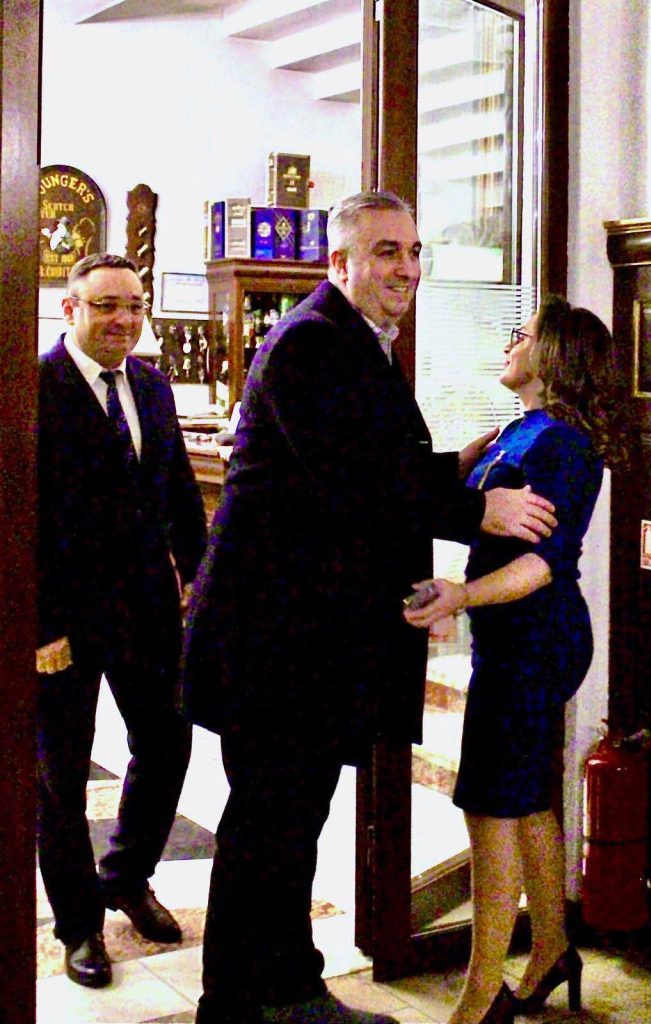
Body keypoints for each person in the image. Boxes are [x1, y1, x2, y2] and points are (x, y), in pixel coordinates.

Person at [180, 190, 558, 1024]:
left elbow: (380, 461)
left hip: (302, 645)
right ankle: (235, 1008)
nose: (407, 268)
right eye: (387, 251)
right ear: (339, 262)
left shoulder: (353, 341)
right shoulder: (313, 341)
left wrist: (460, 463)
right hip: (272, 646)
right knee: (267, 830)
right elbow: (354, 482)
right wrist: (478, 509)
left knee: (288, 827)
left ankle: (289, 989)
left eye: (415, 251)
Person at [404, 295, 629, 1024]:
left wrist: (461, 595)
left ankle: (480, 997)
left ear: (553, 355)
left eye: (521, 335)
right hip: (512, 637)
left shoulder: (562, 443)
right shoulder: (517, 429)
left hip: (536, 639)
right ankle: (552, 949)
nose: (509, 344)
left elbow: (540, 563)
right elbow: (470, 511)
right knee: (526, 799)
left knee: (489, 808)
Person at [36, 253, 208, 988]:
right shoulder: (32, 387)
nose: (123, 319)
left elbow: (176, 490)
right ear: (70, 310)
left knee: (168, 744)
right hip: (63, 620)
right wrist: (39, 626)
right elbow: (20, 514)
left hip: (146, 611)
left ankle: (128, 877)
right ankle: (79, 925)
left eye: (134, 305)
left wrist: (200, 576)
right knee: (60, 777)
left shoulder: (150, 385)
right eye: (106, 305)